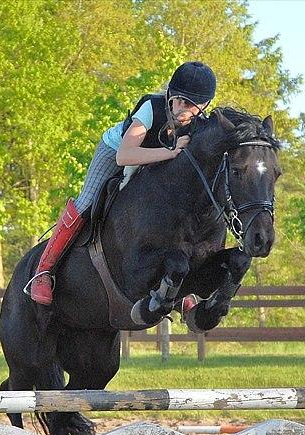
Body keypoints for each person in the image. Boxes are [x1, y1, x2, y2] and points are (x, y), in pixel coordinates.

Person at [28, 61, 217, 305]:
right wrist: (170, 152)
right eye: (178, 99)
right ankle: (44, 271)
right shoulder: (151, 107)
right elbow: (125, 155)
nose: (180, 108)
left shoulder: (200, 125)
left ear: (204, 106)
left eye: (189, 104)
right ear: (170, 92)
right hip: (115, 151)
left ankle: (176, 290)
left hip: (153, 163)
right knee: (86, 203)